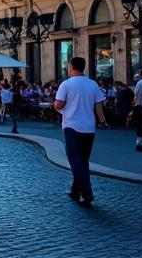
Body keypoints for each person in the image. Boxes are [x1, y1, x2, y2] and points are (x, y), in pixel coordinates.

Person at [54, 56, 106, 206]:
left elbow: (59, 104)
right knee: (83, 160)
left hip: (71, 125)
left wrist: (55, 105)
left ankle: (86, 190)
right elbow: (98, 106)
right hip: (89, 127)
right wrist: (102, 120)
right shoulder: (93, 84)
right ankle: (75, 190)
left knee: (75, 159)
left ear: (71, 66)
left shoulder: (66, 84)